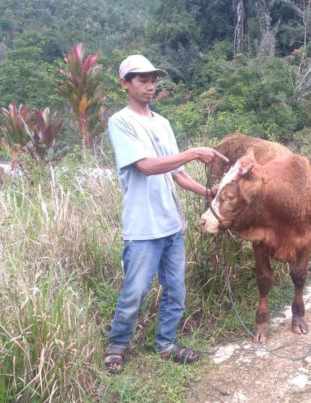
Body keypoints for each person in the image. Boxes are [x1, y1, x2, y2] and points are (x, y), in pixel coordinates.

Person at [103, 55, 227, 373]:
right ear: (125, 84)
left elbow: (177, 173)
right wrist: (196, 151)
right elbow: (146, 166)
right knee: (135, 290)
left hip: (171, 224)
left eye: (153, 79)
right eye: (142, 79)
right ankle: (117, 346)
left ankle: (166, 344)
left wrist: (207, 193)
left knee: (176, 289)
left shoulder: (163, 124)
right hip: (143, 227)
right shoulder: (121, 122)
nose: (150, 85)